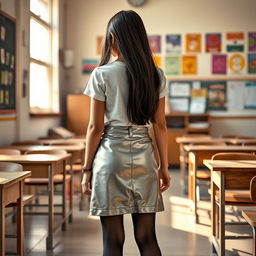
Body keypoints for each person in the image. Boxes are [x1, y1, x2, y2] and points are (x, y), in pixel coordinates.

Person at [81, 10, 171, 256]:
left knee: (112, 239)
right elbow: (160, 125)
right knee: (147, 238)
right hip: (144, 156)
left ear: (112, 38)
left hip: (109, 158)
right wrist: (163, 166)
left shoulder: (101, 74)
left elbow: (95, 128)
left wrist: (86, 169)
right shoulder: (155, 74)